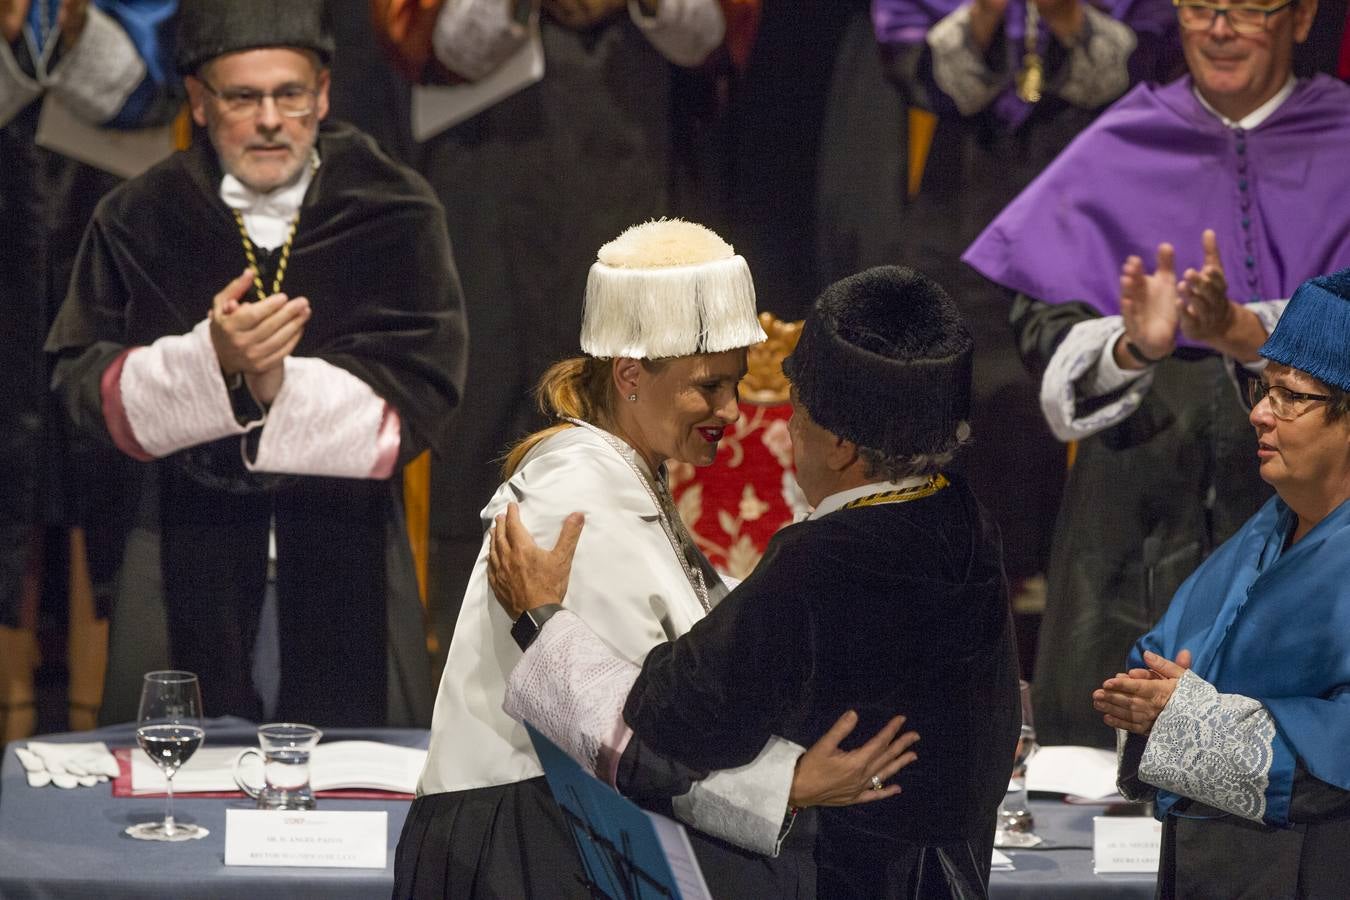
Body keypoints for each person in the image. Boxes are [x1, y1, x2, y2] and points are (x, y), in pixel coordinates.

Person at [396, 220, 917, 899]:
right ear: (631, 375)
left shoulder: (627, 475)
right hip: (521, 846)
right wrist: (787, 786)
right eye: (709, 386)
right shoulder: (577, 494)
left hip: (568, 828)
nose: (731, 409)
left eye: (734, 384)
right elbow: (624, 725)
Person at [490, 266, 1023, 898]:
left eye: (797, 413)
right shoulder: (965, 519)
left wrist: (541, 618)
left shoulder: (824, 563)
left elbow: (658, 725)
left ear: (843, 448)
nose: (779, 428)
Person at [44, 0, 467, 727]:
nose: (271, 119)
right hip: (180, 549)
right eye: (243, 97)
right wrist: (210, 364)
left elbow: (427, 391)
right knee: (177, 800)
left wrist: (275, 383)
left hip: (350, 546)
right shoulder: (138, 216)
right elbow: (80, 386)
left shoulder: (394, 209)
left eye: (290, 95)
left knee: (351, 801)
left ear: (324, 94)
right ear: (201, 105)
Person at [962, 0, 1350, 746]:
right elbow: (1040, 321)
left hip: (1310, 516)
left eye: (1249, 9)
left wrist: (1250, 335)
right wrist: (1132, 346)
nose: (1220, 28)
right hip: (1135, 506)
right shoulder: (1121, 140)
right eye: (1201, 7)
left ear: (1301, 19)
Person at [370, 0, 733, 649]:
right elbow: (439, 43)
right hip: (486, 167)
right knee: (485, 419)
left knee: (626, 411)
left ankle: (630, 668)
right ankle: (473, 658)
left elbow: (710, 36)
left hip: (628, 148)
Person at [1093, 267, 1350, 899]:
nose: (1260, 413)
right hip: (1207, 864)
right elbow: (1158, 667)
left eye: (1291, 396)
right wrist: (1151, 707)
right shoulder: (1266, 530)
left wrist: (1183, 718)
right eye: (1264, 389)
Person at [1, 0, 179, 739]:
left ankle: (99, 720)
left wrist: (69, 33)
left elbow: (167, 53)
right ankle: (11, 710)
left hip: (112, 196)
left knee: (104, 446)